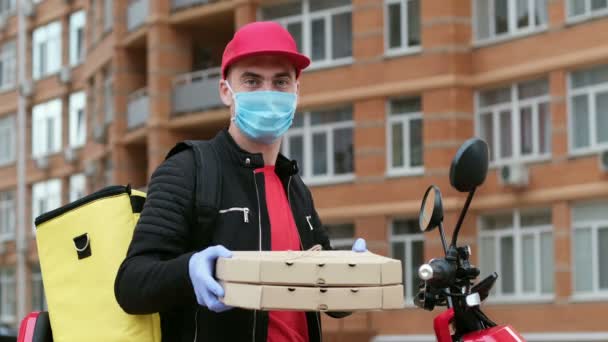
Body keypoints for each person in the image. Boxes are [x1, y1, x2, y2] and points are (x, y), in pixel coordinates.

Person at [114, 21, 368, 342]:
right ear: (226, 91)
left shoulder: (294, 185)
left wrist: (354, 277)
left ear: (296, 91)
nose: (268, 94)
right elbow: (130, 285)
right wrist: (189, 269)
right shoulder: (187, 170)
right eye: (251, 81)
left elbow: (325, 299)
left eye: (280, 82)